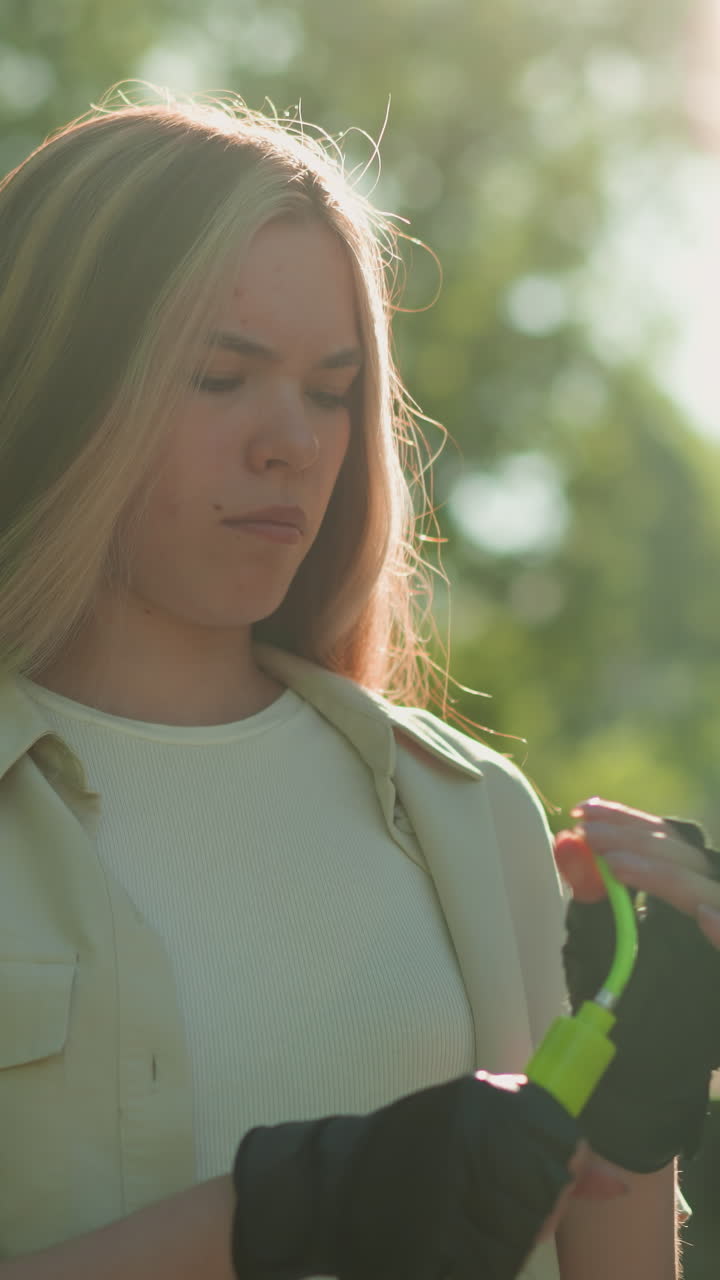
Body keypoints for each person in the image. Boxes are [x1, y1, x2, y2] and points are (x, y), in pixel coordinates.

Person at [0, 88, 676, 1280]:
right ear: (56, 379)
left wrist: (640, 1111)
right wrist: (273, 1215)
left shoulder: (473, 818)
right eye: (221, 375)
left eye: (330, 390)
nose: (294, 444)